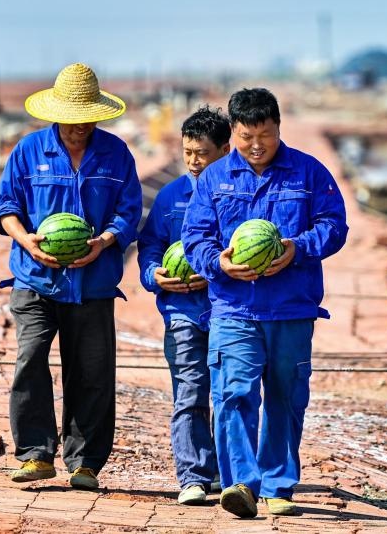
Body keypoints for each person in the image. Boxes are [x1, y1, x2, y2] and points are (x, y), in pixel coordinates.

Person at [182, 87, 348, 519]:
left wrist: (298, 248)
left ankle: (278, 485)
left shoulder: (309, 173)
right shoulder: (215, 179)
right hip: (234, 309)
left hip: (292, 308)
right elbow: (194, 237)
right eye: (246, 136)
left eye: (266, 135)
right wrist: (217, 263)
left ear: (278, 127)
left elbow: (334, 226)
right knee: (233, 393)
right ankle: (241, 483)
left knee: (285, 396)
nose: (257, 145)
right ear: (233, 134)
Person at [0, 63, 142, 491]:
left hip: (93, 283)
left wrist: (104, 241)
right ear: (56, 115)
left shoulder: (116, 154)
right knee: (31, 359)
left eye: (87, 120)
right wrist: (27, 241)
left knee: (91, 372)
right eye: (71, 121)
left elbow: (129, 211)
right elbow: (7, 209)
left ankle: (86, 463)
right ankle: (36, 454)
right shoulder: (28, 151)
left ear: (97, 114)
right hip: (35, 279)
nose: (79, 129)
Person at [137, 106, 231, 505]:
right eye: (188, 151)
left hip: (229, 308)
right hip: (181, 310)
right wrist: (153, 274)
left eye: (202, 152)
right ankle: (193, 475)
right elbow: (150, 247)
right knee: (190, 392)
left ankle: (231, 475)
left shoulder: (239, 194)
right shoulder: (171, 196)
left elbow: (245, 251)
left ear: (225, 151)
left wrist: (213, 271)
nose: (193, 161)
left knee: (230, 393)